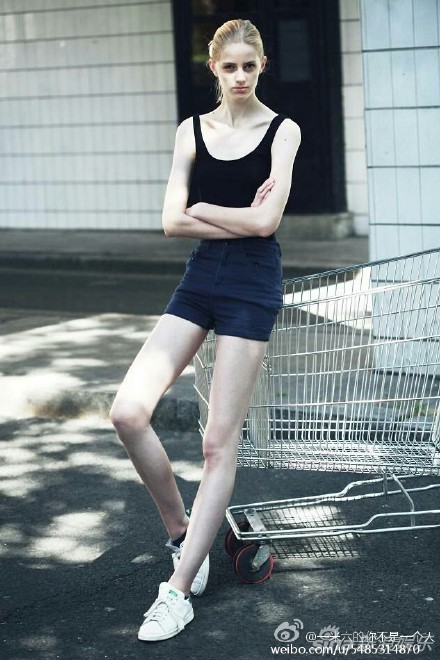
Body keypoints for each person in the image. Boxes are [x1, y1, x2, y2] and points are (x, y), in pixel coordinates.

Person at [110, 18, 301, 642]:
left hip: (251, 285)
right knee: (127, 412)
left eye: (249, 65)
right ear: (213, 69)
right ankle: (182, 534)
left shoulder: (283, 131)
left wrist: (205, 208)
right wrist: (236, 215)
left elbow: (267, 225)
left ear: (262, 66)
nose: (239, 76)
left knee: (219, 444)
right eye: (229, 66)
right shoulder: (191, 130)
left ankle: (177, 592)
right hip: (200, 279)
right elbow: (171, 222)